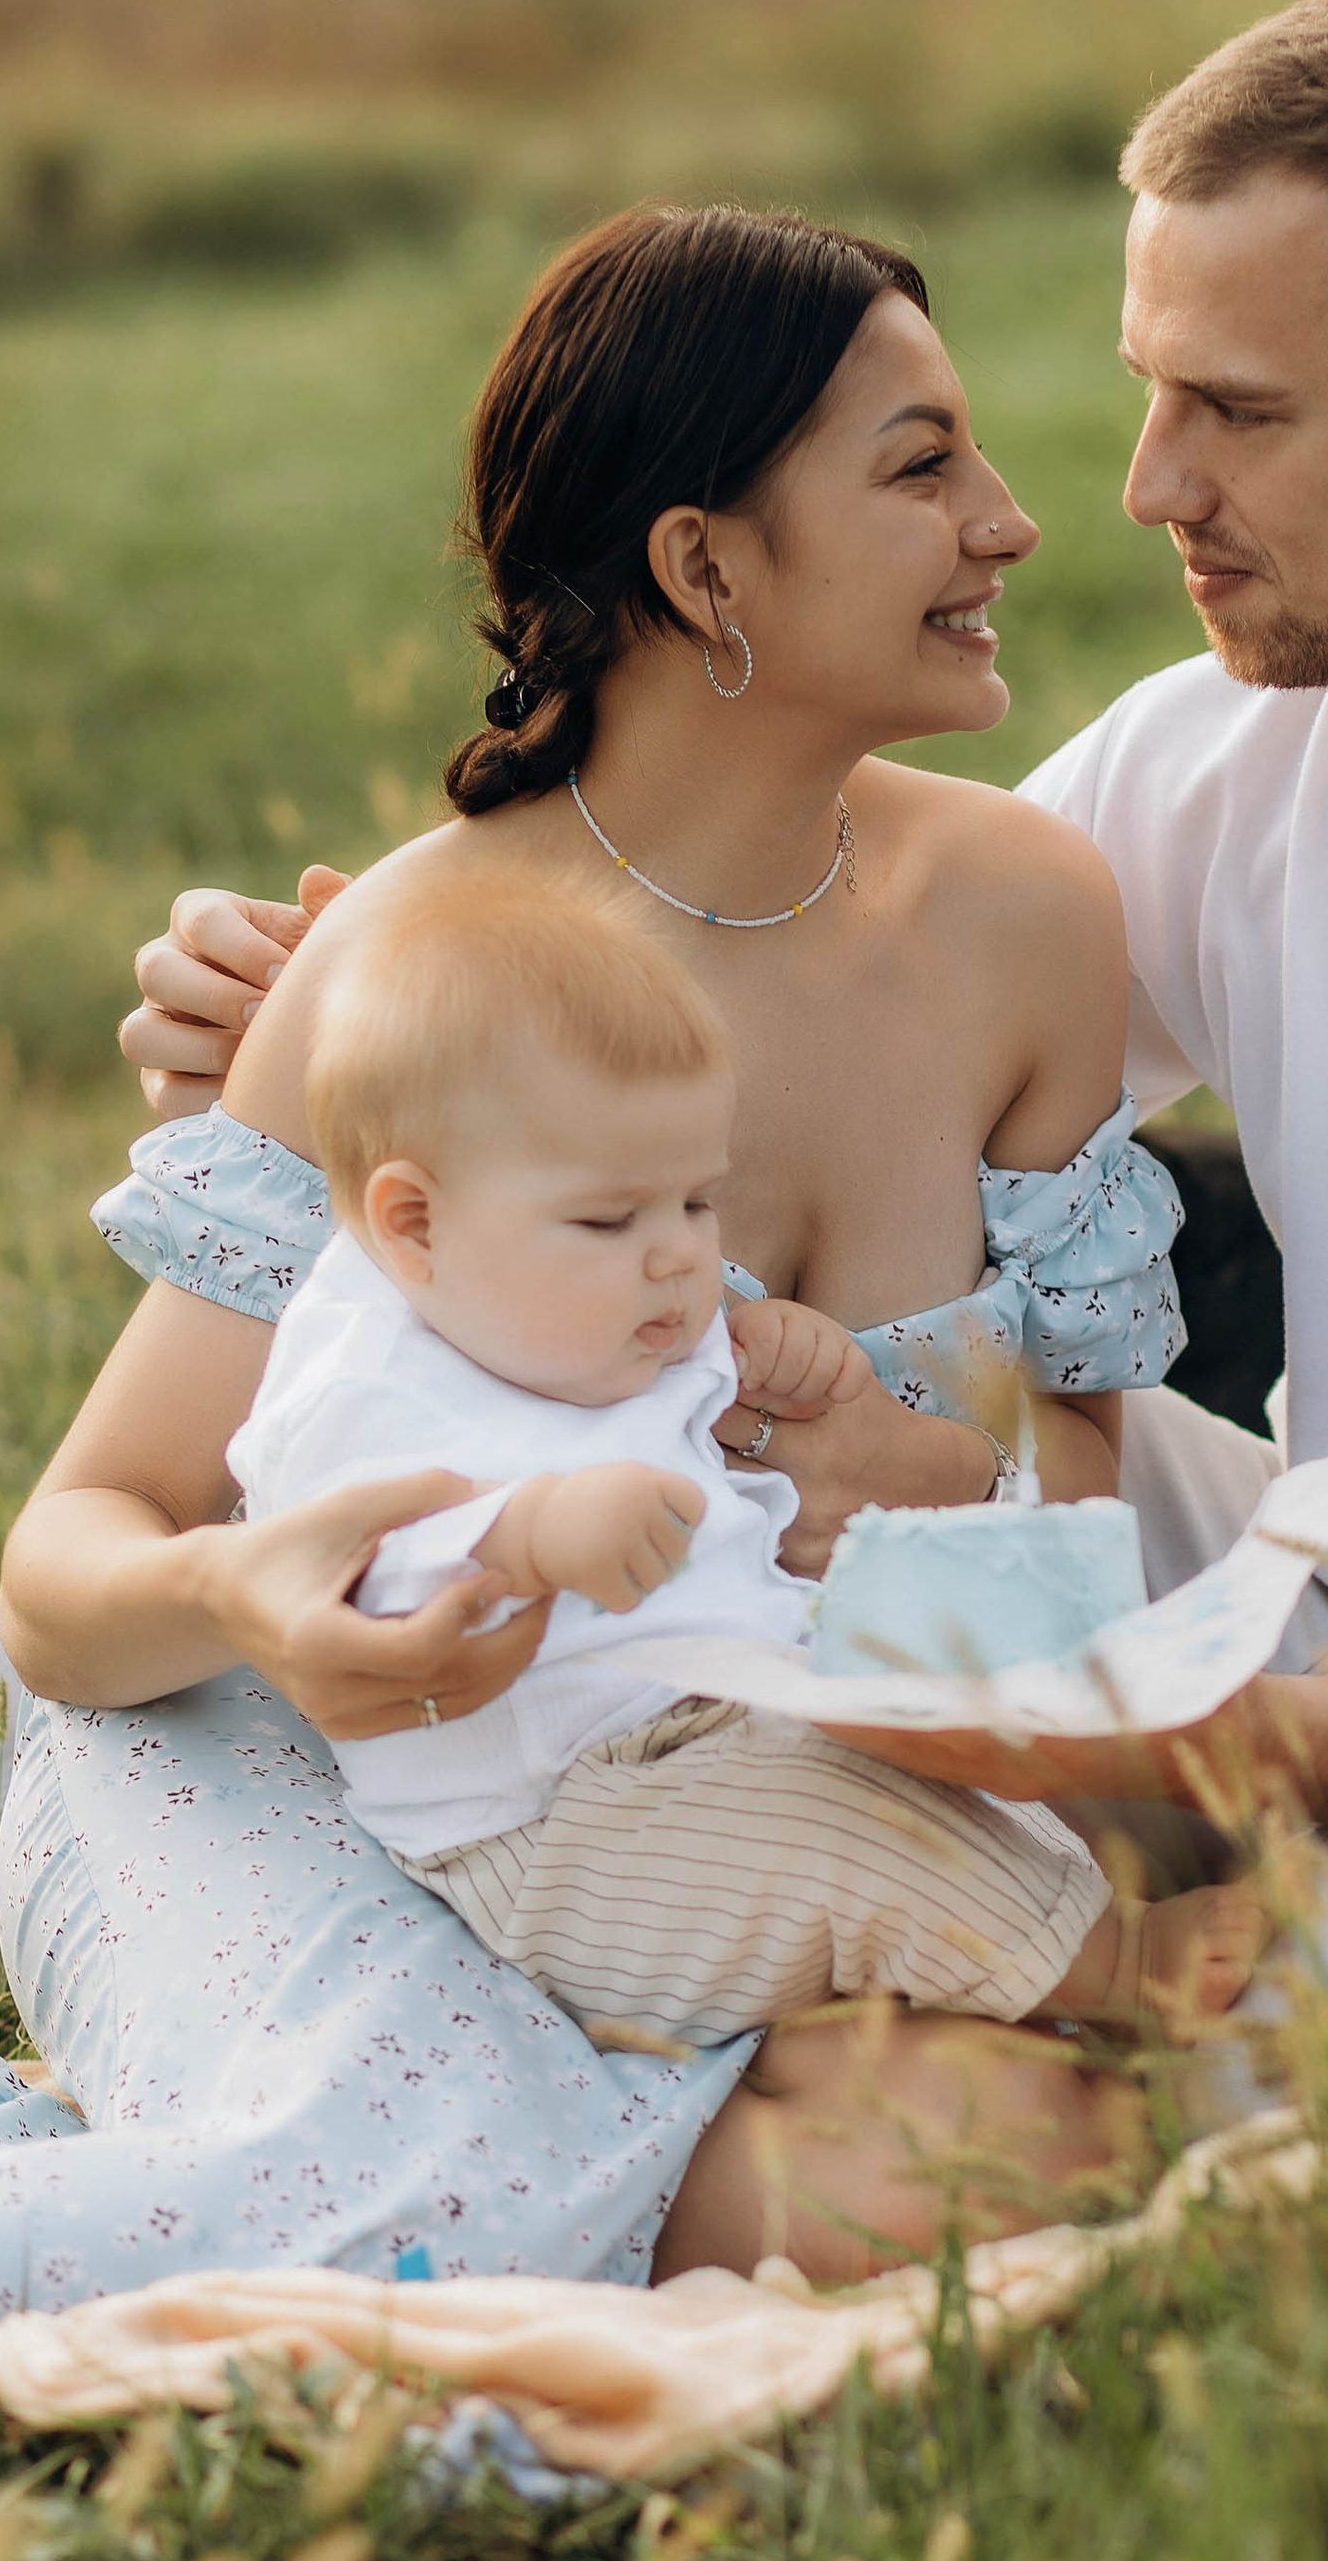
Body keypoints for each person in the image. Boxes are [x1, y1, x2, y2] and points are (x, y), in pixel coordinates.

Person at [106, 0, 1328, 2041]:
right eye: (1149, 391)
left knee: (1122, 2042)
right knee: (365, 1407)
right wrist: (347, 1036)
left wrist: (1139, 1747)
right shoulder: (1228, 762)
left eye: (1237, 412)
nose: (1144, 486)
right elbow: (779, 964)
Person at [0, 203, 1195, 2338]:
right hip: (297, 1760)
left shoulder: (1022, 922)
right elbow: (72, 1568)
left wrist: (910, 1516)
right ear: (704, 568)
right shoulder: (415, 964)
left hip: (730, 1792)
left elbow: (1070, 1554)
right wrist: (254, 1596)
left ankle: (170, 2139)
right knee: (414, 2185)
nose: (1009, 522)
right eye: (920, 469)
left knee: (1021, 2161)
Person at [235, 854, 1257, 2037]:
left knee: (926, 1771)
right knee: (840, 1837)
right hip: (556, 1825)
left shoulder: (582, 1305)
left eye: (694, 1200)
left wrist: (784, 1351)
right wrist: (527, 1536)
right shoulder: (367, 1371)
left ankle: (1038, 1953)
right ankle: (1113, 1975)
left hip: (715, 1730)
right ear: (413, 1223)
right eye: (615, 1217)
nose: (676, 1254)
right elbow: (348, 1552)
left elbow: (721, 1400)